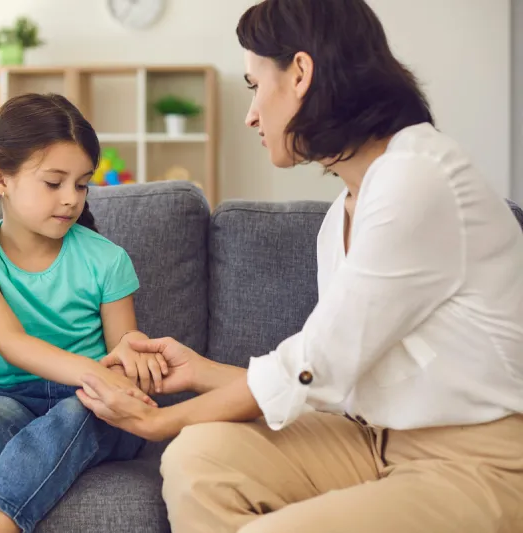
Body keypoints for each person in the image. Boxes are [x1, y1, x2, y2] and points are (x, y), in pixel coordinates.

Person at [76, 1, 523, 532]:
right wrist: (199, 372)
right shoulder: (343, 213)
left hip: (481, 462)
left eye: (253, 86)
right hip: (370, 440)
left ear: (301, 74)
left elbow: (316, 364)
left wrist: (159, 421)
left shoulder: (418, 179)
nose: (250, 114)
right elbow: (329, 383)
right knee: (199, 459)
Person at [0, 93, 168, 533]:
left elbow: (123, 344)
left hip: (91, 403)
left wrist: (132, 355)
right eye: (54, 183)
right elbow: (11, 342)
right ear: (0, 178)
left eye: (82, 183)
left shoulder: (107, 259)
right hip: (11, 397)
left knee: (77, 414)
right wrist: (95, 372)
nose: (71, 199)